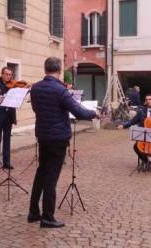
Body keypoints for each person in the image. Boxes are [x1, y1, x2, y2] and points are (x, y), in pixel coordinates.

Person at [28, 57, 98, 228]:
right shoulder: (60, 91)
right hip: (57, 138)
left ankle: (33, 212)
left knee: (41, 173)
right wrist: (93, 113)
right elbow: (78, 111)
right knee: (51, 177)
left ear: (45, 69)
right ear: (59, 70)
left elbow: (37, 109)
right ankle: (47, 217)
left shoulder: (35, 88)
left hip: (43, 135)